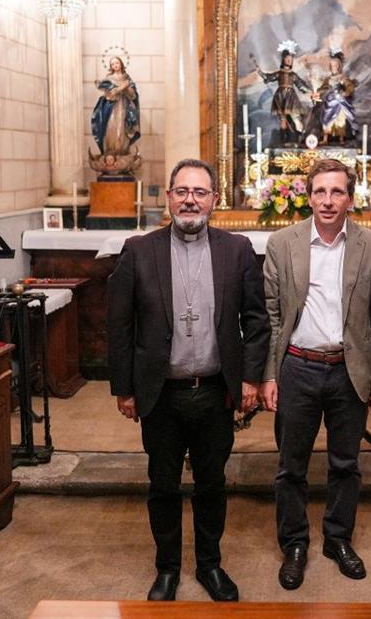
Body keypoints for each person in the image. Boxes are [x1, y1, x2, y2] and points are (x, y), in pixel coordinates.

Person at [107, 158, 269, 602]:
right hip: (161, 393)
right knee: (162, 484)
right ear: (169, 199)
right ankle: (167, 568)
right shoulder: (140, 250)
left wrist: (250, 380)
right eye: (182, 191)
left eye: (200, 192)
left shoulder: (236, 250)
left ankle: (210, 565)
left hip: (215, 391)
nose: (190, 200)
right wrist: (123, 388)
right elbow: (119, 325)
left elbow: (256, 322)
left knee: (212, 483)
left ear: (215, 200)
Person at [260, 158, 371, 591]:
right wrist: (268, 375)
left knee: (345, 464)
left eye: (337, 192)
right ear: (309, 195)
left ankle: (337, 539)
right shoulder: (283, 244)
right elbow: (272, 316)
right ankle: (294, 542)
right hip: (297, 366)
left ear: (350, 199)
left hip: (348, 371)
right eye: (320, 191)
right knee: (290, 467)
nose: (327, 200)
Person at [257, 40, 311, 147]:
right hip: (281, 97)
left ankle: (299, 135)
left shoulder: (293, 75)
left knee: (296, 118)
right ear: (283, 60)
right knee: (283, 119)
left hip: (291, 98)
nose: (289, 61)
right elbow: (270, 77)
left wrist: (310, 92)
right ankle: (284, 140)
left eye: (291, 59)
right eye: (287, 59)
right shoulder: (279, 73)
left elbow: (300, 84)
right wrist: (261, 73)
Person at [91, 53, 141, 159]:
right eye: (112, 63)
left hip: (124, 108)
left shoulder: (127, 78)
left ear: (121, 64)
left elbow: (132, 96)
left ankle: (122, 153)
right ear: (111, 66)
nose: (115, 65)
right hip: (111, 108)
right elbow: (107, 95)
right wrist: (116, 90)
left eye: (117, 62)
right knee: (110, 127)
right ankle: (110, 154)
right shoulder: (108, 78)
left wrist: (125, 87)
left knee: (122, 129)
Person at [306, 49, 357, 145]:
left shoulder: (343, 78)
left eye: (336, 65)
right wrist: (318, 93)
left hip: (340, 101)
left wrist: (346, 92)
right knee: (326, 119)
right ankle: (325, 138)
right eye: (332, 65)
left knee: (340, 120)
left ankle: (341, 138)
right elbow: (322, 88)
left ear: (339, 66)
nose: (334, 67)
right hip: (329, 102)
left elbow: (349, 86)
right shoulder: (328, 79)